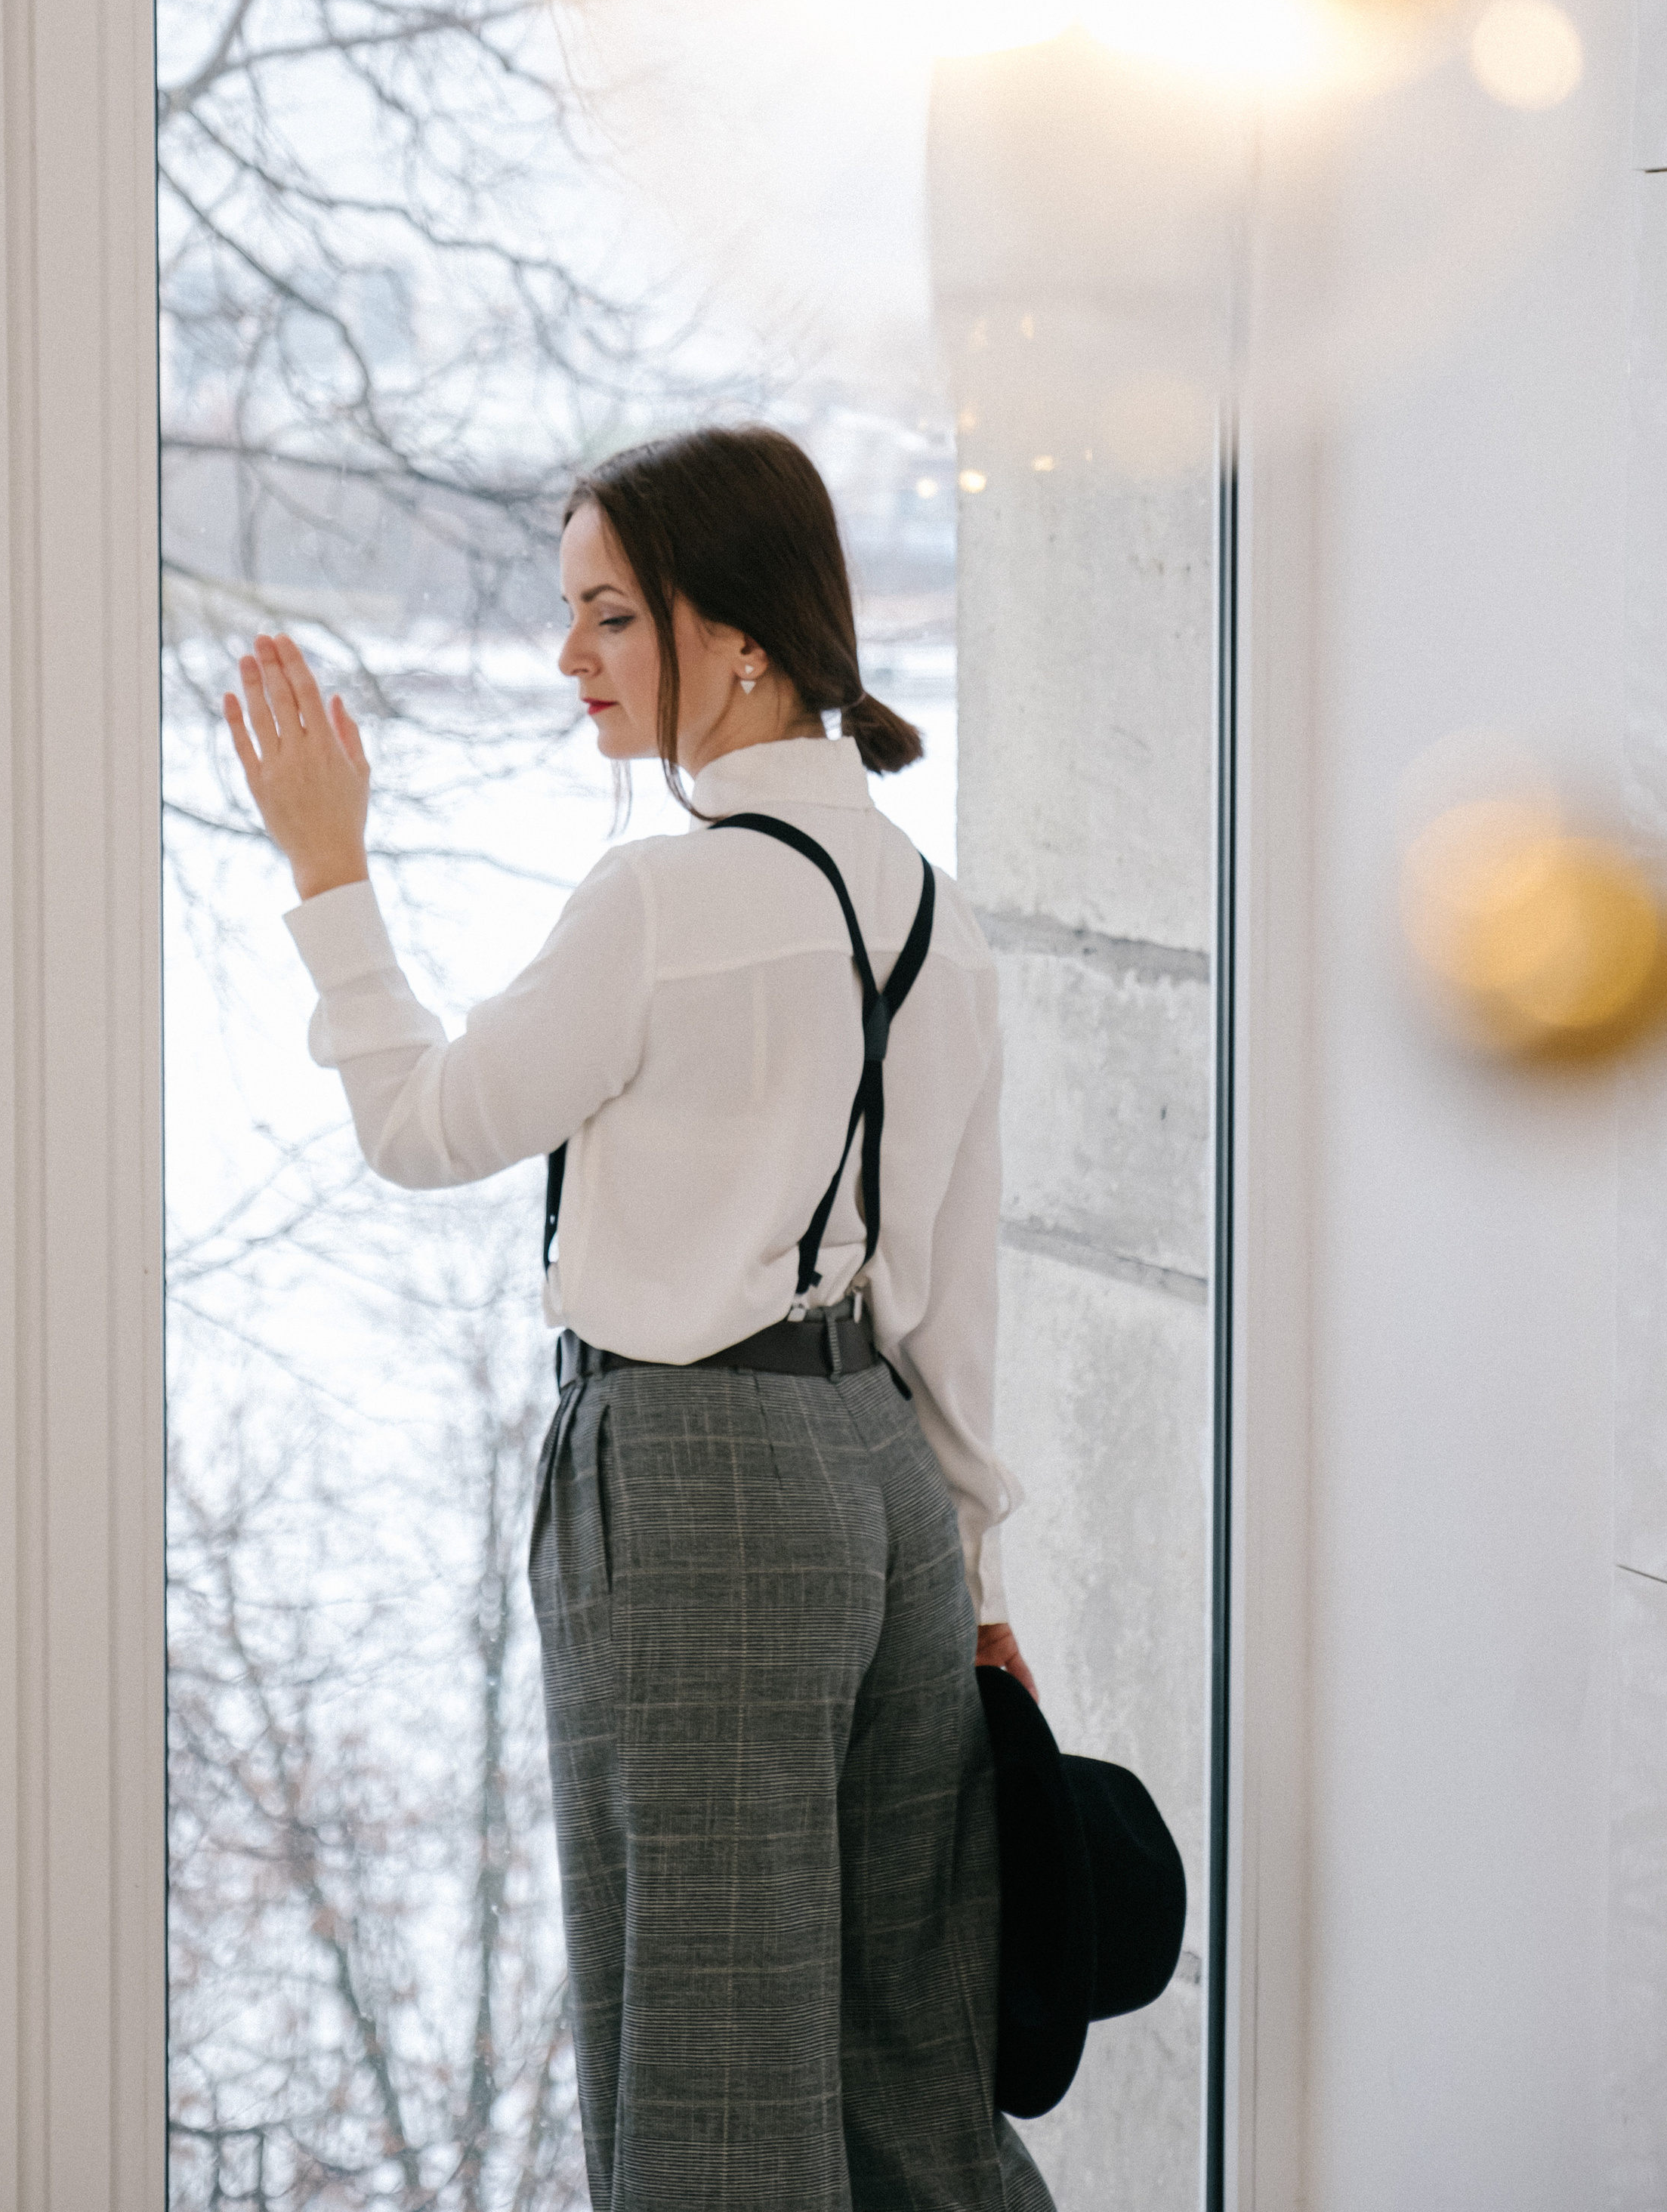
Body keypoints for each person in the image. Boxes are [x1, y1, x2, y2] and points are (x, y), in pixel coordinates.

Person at [224, 423, 1057, 2212]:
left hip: (690, 1482)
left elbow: (424, 1128)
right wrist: (975, 1583)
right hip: (884, 1492)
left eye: (608, 615)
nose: (567, 658)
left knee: (710, 2077)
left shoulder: (663, 902)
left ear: (737, 635)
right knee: (918, 2082)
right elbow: (950, 1295)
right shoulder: (933, 913)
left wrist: (328, 871)